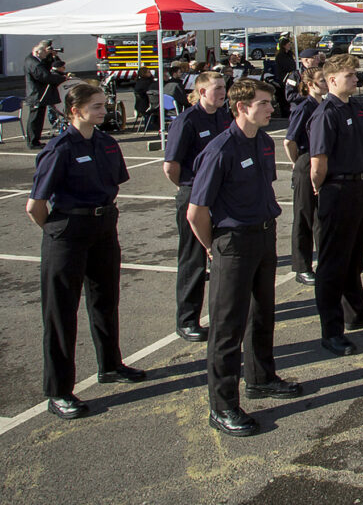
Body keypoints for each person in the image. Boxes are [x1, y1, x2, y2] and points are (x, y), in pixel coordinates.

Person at [186, 78, 301, 437]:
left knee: (262, 313)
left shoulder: (264, 143)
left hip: (263, 235)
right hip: (232, 243)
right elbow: (196, 211)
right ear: (241, 108)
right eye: (264, 103)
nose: (271, 109)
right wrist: (212, 248)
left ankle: (261, 378)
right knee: (226, 327)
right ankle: (222, 406)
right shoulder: (220, 149)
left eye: (270, 103)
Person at [26, 81, 144, 420]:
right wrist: (57, 232)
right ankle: (59, 390)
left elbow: (114, 185)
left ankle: (110, 365)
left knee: (105, 300)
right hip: (67, 232)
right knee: (61, 313)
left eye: (103, 105)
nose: (103, 111)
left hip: (103, 226)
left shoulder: (106, 143)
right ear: (75, 111)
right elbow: (35, 206)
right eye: (96, 107)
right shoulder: (60, 148)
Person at [309, 54, 363, 358]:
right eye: (350, 75)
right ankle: (331, 331)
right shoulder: (325, 113)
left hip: (360, 185)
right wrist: (321, 188)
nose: (357, 79)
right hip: (337, 188)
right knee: (332, 264)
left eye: (356, 74)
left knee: (356, 256)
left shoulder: (356, 107)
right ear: (332, 80)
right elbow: (318, 164)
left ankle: (356, 312)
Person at [163, 71, 233, 343]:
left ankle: (222, 311)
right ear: (201, 91)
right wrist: (189, 189)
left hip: (220, 194)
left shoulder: (222, 116)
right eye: (216, 88)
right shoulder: (187, 121)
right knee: (193, 259)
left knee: (221, 253)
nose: (222, 92)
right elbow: (171, 167)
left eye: (223, 87)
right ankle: (187, 319)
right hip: (195, 194)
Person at [285, 66, 326, 285]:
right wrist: (298, 164)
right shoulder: (304, 107)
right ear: (310, 84)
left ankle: (323, 259)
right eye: (321, 80)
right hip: (306, 160)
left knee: (320, 216)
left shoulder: (324, 105)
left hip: (321, 161)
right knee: (303, 215)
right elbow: (289, 141)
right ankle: (301, 266)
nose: (325, 83)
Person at [24, 39, 67, 149]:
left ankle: (35, 140)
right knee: (35, 119)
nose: (45, 55)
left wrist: (51, 57)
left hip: (40, 94)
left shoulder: (36, 60)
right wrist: (62, 78)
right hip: (37, 94)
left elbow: (47, 68)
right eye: (45, 53)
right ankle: (32, 142)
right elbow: (45, 76)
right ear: (38, 52)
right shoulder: (33, 63)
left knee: (39, 118)